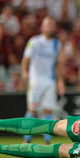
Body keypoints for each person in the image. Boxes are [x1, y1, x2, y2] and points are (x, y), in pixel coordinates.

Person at [21, 16, 66, 145]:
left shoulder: (57, 44)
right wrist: (25, 72)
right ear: (42, 27)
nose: (49, 27)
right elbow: (26, 59)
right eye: (47, 24)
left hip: (50, 81)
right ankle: (26, 139)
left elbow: (57, 64)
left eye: (52, 24)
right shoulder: (34, 42)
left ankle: (47, 141)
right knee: (32, 110)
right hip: (35, 80)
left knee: (48, 111)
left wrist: (60, 82)